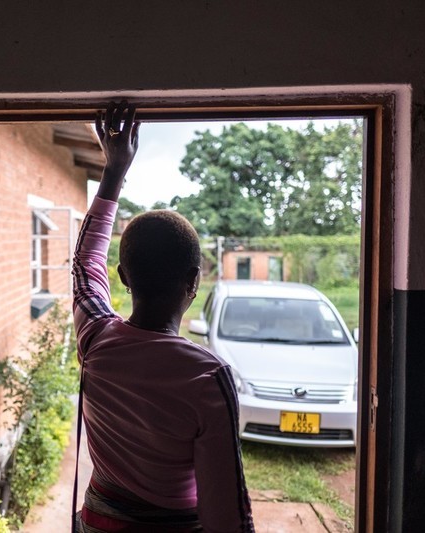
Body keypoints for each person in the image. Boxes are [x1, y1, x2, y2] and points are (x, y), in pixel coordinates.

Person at [72, 101, 255, 533]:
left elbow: (84, 263)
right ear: (193, 281)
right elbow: (226, 517)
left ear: (124, 278)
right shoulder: (208, 377)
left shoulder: (95, 340)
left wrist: (115, 169)